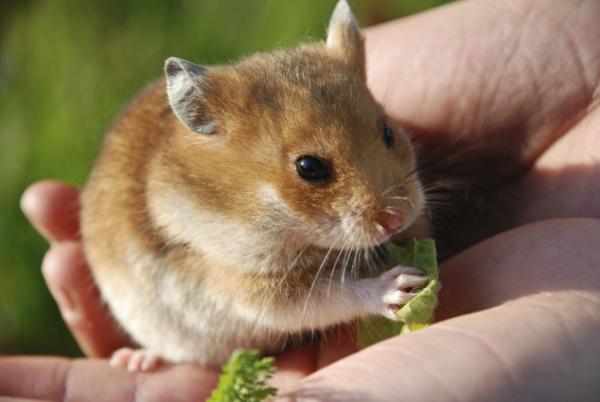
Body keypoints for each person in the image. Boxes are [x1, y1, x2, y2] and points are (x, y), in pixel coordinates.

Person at [4, 0, 600, 400]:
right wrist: (365, 294)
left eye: (387, 137)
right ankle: (158, 355)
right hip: (173, 300)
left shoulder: (346, 99)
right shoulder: (219, 205)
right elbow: (263, 296)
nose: (390, 209)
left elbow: (384, 187)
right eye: (314, 170)